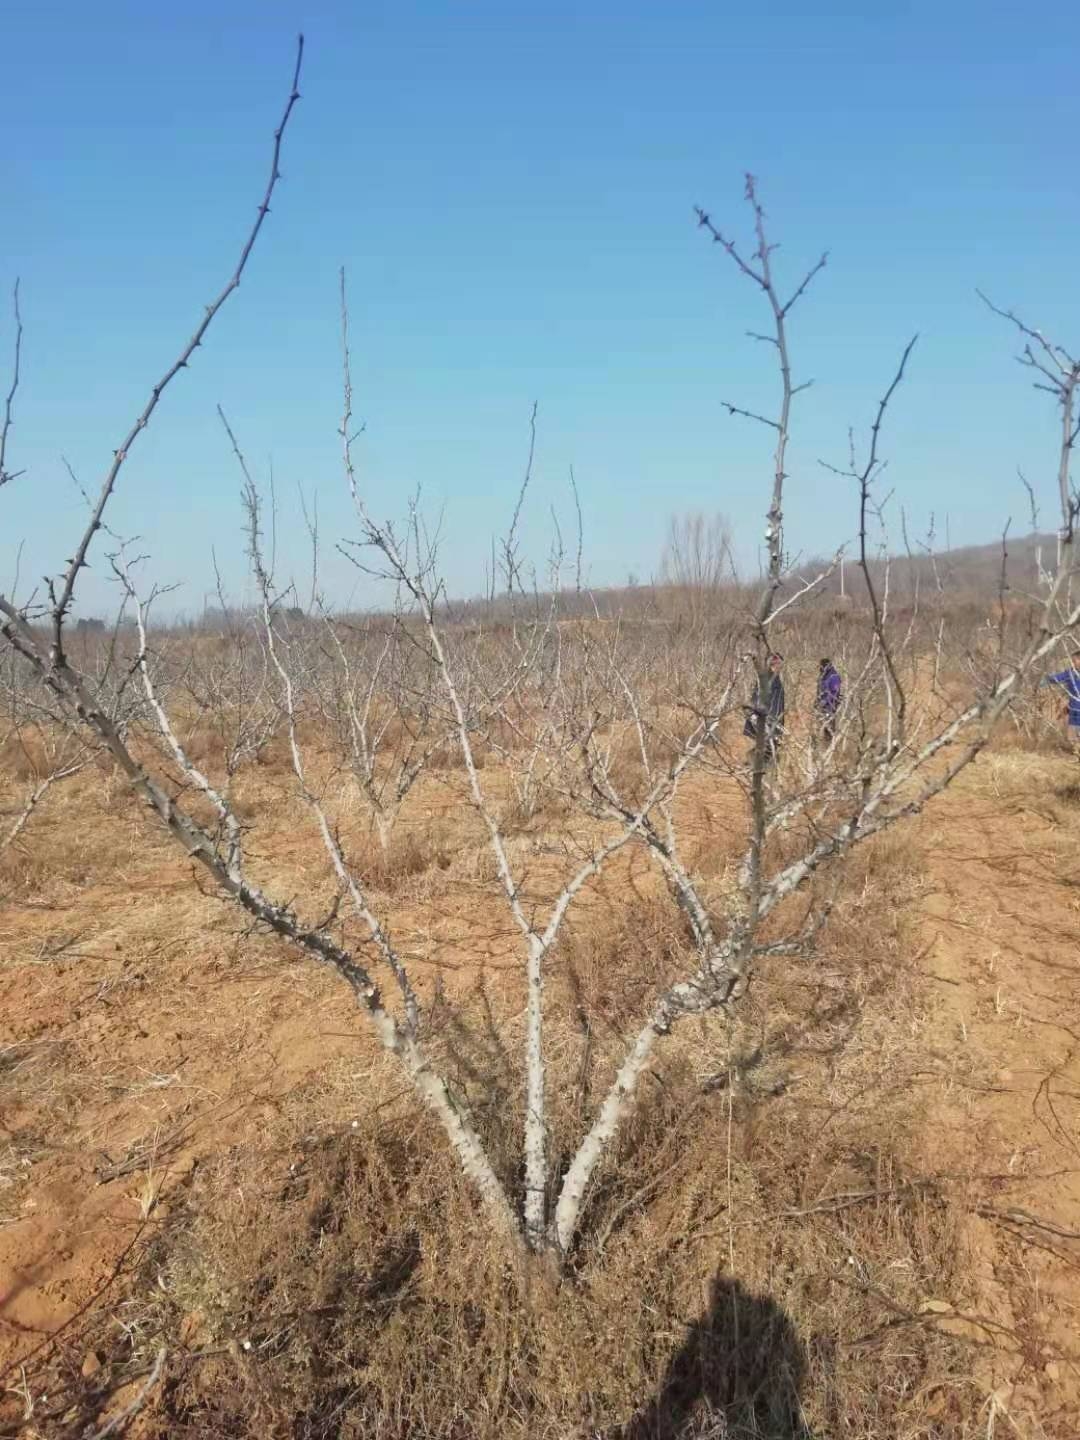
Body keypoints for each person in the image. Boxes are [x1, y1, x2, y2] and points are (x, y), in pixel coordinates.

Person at [744, 653, 785, 765]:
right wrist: (768, 719)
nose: (781, 666)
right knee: (768, 746)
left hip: (770, 719)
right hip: (766, 719)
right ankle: (754, 765)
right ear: (774, 663)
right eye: (779, 663)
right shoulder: (767, 679)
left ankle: (756, 765)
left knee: (770, 745)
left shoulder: (773, 678)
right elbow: (759, 699)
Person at [1042, 652, 1080, 748]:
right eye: (1073, 661)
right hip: (1074, 710)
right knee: (1073, 738)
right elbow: (1055, 679)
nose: (1073, 663)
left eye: (1075, 660)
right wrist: (1045, 678)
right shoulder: (1070, 673)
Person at [817, 658, 842, 742]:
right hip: (822, 707)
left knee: (829, 728)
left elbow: (835, 692)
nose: (819, 668)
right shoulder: (823, 675)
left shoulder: (833, 676)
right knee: (822, 728)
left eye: (821, 666)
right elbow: (820, 690)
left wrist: (826, 701)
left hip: (830, 707)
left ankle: (830, 745)